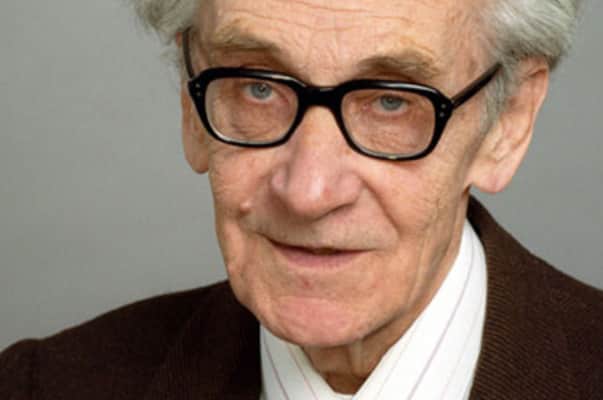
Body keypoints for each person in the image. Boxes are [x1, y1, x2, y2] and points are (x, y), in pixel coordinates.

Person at [1, 0, 601, 399]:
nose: (309, 192)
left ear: (508, 122)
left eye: (391, 100)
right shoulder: (38, 387)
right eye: (257, 87)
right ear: (190, 100)